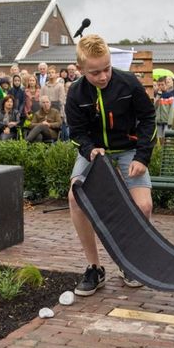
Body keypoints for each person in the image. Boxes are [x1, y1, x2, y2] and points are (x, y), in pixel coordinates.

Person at [66, 34, 156, 295]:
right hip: (94, 153)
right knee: (75, 197)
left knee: (144, 205)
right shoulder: (76, 93)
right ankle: (94, 267)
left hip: (128, 150)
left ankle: (129, 262)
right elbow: (77, 133)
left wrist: (142, 157)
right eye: (95, 73)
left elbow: (148, 119)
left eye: (106, 68)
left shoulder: (128, 83)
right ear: (81, 69)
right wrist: (89, 149)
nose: (103, 76)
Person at [153, 77, 174, 141]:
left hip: (166, 121)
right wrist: (158, 96)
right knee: (159, 138)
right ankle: (160, 150)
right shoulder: (157, 95)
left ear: (166, 85)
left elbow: (172, 110)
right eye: (159, 85)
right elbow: (154, 107)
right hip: (158, 121)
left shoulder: (170, 95)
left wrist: (170, 122)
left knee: (166, 138)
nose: (160, 86)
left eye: (162, 84)